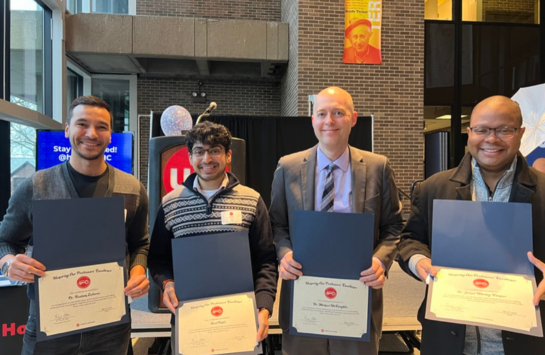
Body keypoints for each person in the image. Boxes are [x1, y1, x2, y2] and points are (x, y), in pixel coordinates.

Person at [0, 95, 150, 355]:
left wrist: (138, 271)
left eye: (101, 126)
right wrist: (9, 263)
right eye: (82, 124)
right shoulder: (36, 186)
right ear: (67, 129)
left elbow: (140, 244)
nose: (91, 133)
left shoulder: (133, 189)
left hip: (110, 328)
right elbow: (5, 241)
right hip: (50, 328)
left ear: (110, 134)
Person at [398, 95, 545, 354]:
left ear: (520, 132)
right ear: (469, 132)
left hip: (525, 341)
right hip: (449, 338)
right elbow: (410, 240)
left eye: (504, 130)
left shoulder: (543, 190)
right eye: (482, 130)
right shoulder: (434, 187)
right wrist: (419, 261)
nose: (491, 139)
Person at [269, 86, 404, 354]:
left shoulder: (378, 167)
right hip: (304, 295)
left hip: (357, 297)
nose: (329, 121)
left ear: (353, 119)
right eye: (321, 114)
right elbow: (276, 224)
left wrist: (380, 261)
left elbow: (393, 226)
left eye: (338, 113)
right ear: (313, 121)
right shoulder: (288, 167)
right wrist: (283, 254)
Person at [148, 121, 278, 345]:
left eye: (215, 151)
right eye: (199, 152)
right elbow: (158, 258)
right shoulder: (170, 203)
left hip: (240, 318)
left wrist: (264, 305)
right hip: (189, 318)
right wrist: (167, 283)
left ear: (228, 156)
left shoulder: (252, 200)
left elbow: (266, 260)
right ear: (190, 157)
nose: (207, 159)